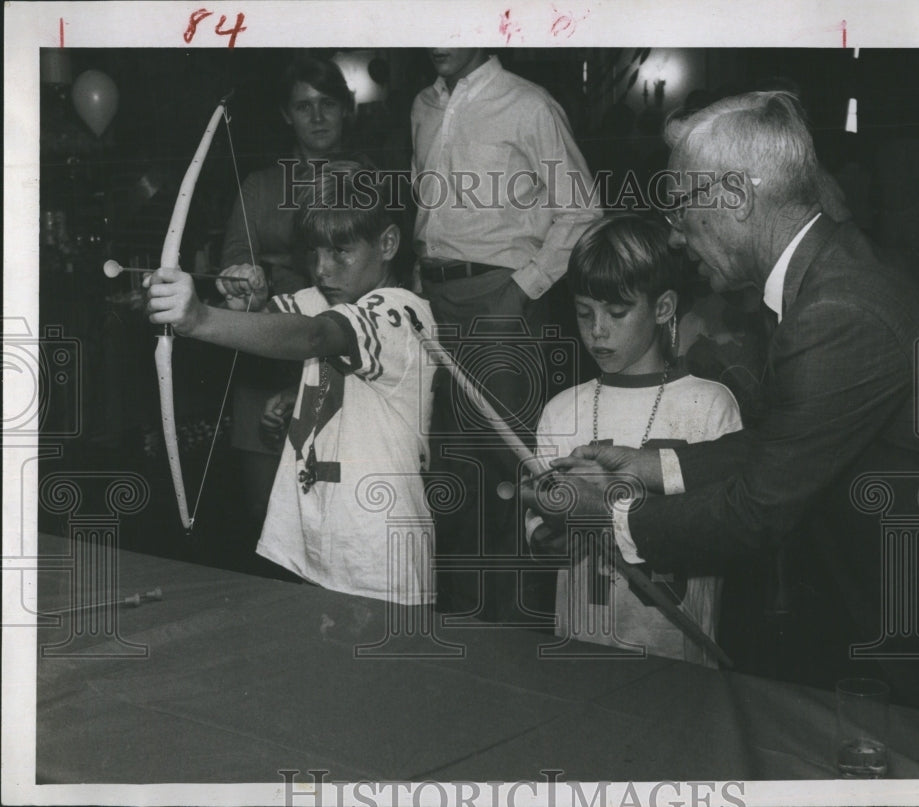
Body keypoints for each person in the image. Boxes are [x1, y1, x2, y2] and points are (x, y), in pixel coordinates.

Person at [524, 91, 919, 721]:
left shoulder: (835, 311)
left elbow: (757, 512)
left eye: (683, 206)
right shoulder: (830, 278)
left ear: (737, 198)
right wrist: (651, 464)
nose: (676, 232)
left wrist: (606, 512)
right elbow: (786, 438)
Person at [147, 162, 437, 605]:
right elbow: (267, 322)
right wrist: (242, 295)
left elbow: (314, 336)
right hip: (320, 546)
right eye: (314, 252)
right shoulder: (322, 298)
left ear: (388, 243)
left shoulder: (404, 313)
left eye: (341, 252)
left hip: (381, 557)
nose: (322, 269)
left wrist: (199, 318)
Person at [410, 48, 601, 620]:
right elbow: (426, 208)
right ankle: (461, 620)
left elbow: (584, 210)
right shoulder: (421, 105)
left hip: (503, 296)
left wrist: (522, 289)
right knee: (447, 463)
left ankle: (514, 630)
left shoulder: (529, 103)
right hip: (435, 298)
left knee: (507, 467)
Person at [528, 214, 742, 663]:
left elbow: (725, 533)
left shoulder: (711, 404)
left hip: (679, 656)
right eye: (585, 313)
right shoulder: (561, 411)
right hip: (582, 650)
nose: (598, 330)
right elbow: (546, 547)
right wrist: (555, 533)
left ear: (663, 308)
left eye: (617, 313)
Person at [217, 52, 354, 531]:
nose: (317, 117)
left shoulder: (371, 182)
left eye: (328, 104)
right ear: (285, 114)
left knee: (335, 517)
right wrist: (247, 278)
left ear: (346, 109)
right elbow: (235, 270)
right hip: (268, 358)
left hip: (343, 364)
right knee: (267, 518)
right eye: (303, 106)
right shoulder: (259, 187)